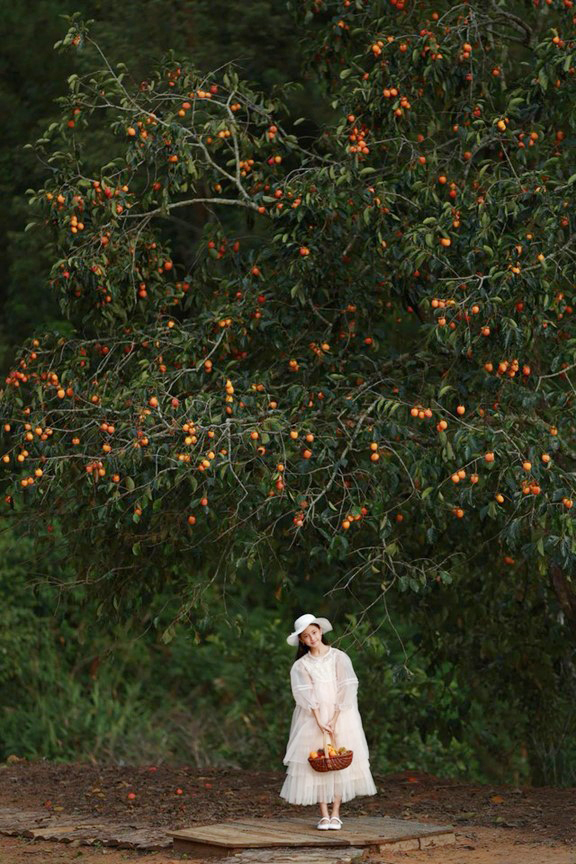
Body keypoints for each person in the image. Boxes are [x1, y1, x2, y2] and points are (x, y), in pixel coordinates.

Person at [280, 613, 377, 830]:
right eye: (306, 636)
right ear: (302, 641)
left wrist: (334, 718)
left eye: (313, 633)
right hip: (313, 718)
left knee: (339, 761)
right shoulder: (301, 665)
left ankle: (336, 813)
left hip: (340, 715)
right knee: (318, 763)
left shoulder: (339, 657)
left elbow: (348, 686)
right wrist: (320, 721)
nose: (312, 638)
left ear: (320, 631)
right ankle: (323, 814)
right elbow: (304, 695)